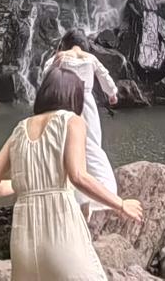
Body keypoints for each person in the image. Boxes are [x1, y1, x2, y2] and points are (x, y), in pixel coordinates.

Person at [0, 67, 143, 281]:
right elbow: (78, 176)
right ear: (74, 96)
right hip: (60, 231)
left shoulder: (19, 130)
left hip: (24, 241)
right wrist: (120, 204)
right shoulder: (71, 121)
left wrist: (24, 185)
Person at [39, 29, 118, 214]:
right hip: (87, 104)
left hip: (65, 102)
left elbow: (45, 75)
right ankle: (102, 191)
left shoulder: (60, 56)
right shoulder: (89, 58)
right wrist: (112, 93)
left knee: (66, 147)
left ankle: (74, 196)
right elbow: (104, 76)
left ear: (66, 43)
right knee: (91, 145)